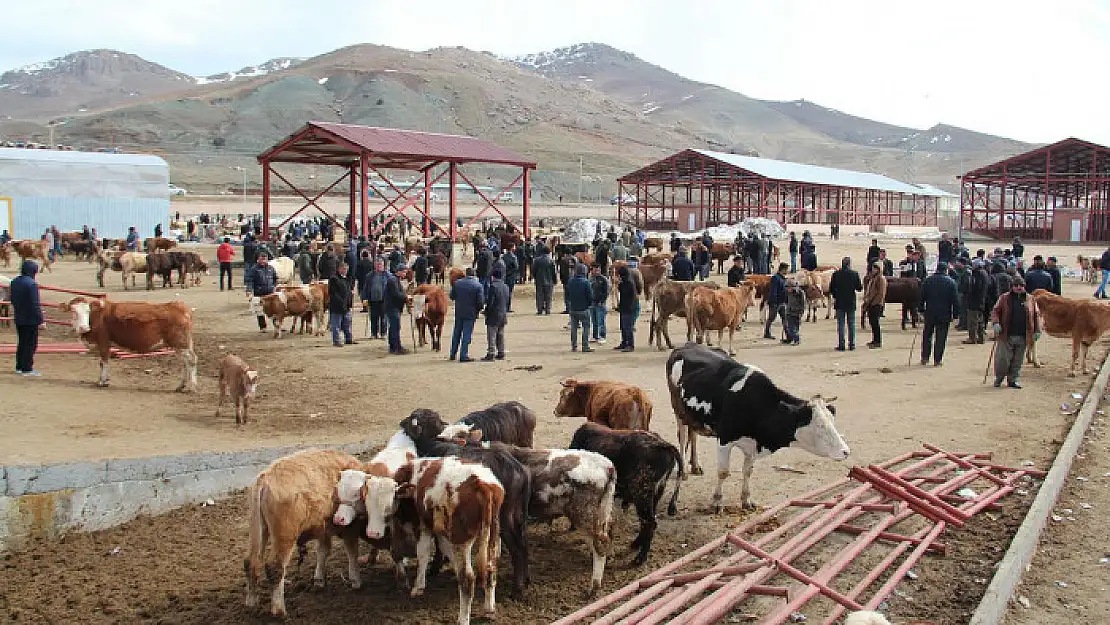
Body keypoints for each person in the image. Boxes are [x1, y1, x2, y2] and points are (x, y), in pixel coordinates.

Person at [991, 276, 1039, 388]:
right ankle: (999, 378)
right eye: (1016, 285)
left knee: (1017, 360)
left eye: (1021, 285)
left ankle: (1013, 380)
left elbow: (1036, 315)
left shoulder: (1031, 299)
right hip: (1006, 334)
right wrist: (996, 323)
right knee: (1003, 360)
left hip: (1023, 335)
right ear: (1012, 287)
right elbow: (996, 311)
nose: (1019, 288)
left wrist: (1037, 330)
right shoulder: (1004, 298)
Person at [920, 264, 959, 366]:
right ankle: (937, 360)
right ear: (946, 270)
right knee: (941, 338)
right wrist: (955, 315)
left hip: (930, 312)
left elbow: (922, 296)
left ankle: (925, 357)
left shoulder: (928, 280)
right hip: (944, 314)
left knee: (927, 335)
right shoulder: (951, 282)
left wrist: (920, 310)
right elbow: (955, 300)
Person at [11, 260, 43, 376]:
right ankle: (27, 368)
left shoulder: (14, 281)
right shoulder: (32, 284)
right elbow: (35, 304)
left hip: (19, 316)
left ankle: (19, 366)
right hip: (30, 319)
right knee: (30, 344)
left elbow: (13, 299)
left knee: (22, 343)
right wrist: (40, 319)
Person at [449, 268, 484, 362]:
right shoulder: (478, 286)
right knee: (466, 334)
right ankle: (463, 355)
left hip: (459, 311)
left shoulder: (457, 283)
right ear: (474, 275)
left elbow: (451, 296)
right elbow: (480, 302)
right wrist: (479, 309)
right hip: (471, 313)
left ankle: (453, 353)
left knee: (456, 333)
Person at [829, 257, 862, 351]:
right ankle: (851, 344)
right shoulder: (854, 274)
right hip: (850, 301)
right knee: (851, 324)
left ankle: (841, 345)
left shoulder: (836, 274)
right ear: (849, 264)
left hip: (840, 301)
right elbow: (859, 288)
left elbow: (831, 288)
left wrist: (836, 296)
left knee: (841, 324)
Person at [482, 267, 510, 361]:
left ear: (493, 277)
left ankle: (491, 353)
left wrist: (486, 311)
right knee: (500, 334)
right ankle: (501, 352)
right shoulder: (506, 286)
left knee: (492, 335)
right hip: (503, 313)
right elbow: (507, 300)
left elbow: (491, 302)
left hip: (494, 314)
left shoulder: (493, 287)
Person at [247, 252, 278, 331]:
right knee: (260, 310)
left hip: (270, 292)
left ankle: (277, 325)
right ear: (258, 259)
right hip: (259, 292)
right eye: (262, 259)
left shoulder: (271, 268)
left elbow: (275, 278)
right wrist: (249, 290)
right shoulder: (254, 269)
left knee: (274, 309)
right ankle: (263, 327)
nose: (263, 260)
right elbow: (250, 280)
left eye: (265, 259)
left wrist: (275, 286)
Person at [566, 264, 593, 352]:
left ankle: (574, 346)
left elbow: (567, 295)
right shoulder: (586, 282)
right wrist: (589, 304)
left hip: (573, 308)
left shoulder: (570, 281)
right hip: (584, 308)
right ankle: (585, 346)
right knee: (586, 327)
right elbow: (589, 295)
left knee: (574, 328)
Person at [328, 263, 357, 347]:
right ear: (339, 269)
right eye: (343, 269)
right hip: (336, 306)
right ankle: (336, 341)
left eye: (346, 269)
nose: (345, 271)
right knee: (336, 325)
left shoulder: (348, 279)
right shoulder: (334, 279)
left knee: (347, 324)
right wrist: (341, 303)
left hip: (346, 306)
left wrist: (349, 301)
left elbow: (349, 291)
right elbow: (333, 293)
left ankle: (349, 339)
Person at [361, 258, 389, 339]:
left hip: (384, 300)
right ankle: (374, 333)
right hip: (373, 299)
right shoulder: (369, 275)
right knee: (373, 318)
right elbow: (365, 288)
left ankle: (383, 333)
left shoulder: (388, 275)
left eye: (381, 264)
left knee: (383, 318)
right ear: (375, 266)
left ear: (383, 265)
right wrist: (364, 298)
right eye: (377, 264)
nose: (379, 266)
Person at [963, 260, 990, 344]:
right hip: (982, 300)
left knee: (972, 321)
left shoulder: (977, 274)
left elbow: (975, 287)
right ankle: (981, 338)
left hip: (975, 301)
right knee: (980, 320)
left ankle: (972, 338)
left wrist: (969, 291)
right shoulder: (985, 273)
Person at [383, 265, 408, 355]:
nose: (405, 274)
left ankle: (393, 346)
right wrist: (406, 297)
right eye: (404, 272)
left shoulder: (395, 280)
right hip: (392, 307)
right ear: (399, 271)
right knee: (395, 327)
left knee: (394, 327)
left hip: (394, 307)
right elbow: (396, 294)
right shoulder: (393, 280)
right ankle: (396, 347)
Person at [861, 262, 887, 349]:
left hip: (876, 304)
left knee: (875, 323)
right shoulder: (873, 278)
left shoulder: (881, 279)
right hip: (871, 303)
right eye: (873, 268)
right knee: (872, 322)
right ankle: (874, 340)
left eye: (875, 268)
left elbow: (881, 293)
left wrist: (874, 302)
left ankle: (878, 341)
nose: (873, 270)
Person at [614, 265, 638, 352]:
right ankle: (624, 342)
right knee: (623, 327)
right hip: (624, 307)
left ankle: (630, 345)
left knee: (628, 327)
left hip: (629, 308)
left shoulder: (629, 283)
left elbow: (630, 296)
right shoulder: (625, 282)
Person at [764, 263, 789, 340]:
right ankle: (767, 332)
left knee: (785, 318)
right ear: (783, 269)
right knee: (771, 318)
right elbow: (773, 291)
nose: (787, 271)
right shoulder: (776, 278)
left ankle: (788, 334)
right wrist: (773, 302)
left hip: (782, 302)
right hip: (775, 302)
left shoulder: (783, 278)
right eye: (786, 270)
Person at [589, 264, 609, 345]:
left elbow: (606, 291)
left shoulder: (603, 279)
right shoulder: (590, 279)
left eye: (598, 270)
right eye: (595, 270)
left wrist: (602, 301)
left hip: (600, 303)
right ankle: (594, 336)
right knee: (594, 321)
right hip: (592, 303)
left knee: (601, 321)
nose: (596, 271)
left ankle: (602, 336)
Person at [532, 246, 556, 314]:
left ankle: (539, 309)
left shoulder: (536, 260)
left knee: (540, 295)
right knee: (548, 296)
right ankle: (547, 310)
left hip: (539, 280)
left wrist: (535, 277)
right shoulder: (551, 260)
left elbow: (533, 270)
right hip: (549, 280)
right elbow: (553, 272)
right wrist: (555, 280)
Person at [783, 278, 805, 345]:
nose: (788, 289)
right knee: (790, 328)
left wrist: (801, 313)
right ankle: (794, 339)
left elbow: (803, 304)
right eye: (787, 288)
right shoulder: (787, 293)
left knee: (795, 328)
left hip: (796, 312)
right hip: (789, 312)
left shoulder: (800, 293)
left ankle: (796, 340)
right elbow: (786, 301)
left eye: (789, 288)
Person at [502, 243, 519, 311]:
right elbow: (516, 267)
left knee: (504, 291)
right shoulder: (513, 257)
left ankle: (504, 305)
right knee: (509, 292)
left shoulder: (503, 256)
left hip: (504, 275)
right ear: (512, 248)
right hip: (511, 276)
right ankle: (508, 307)